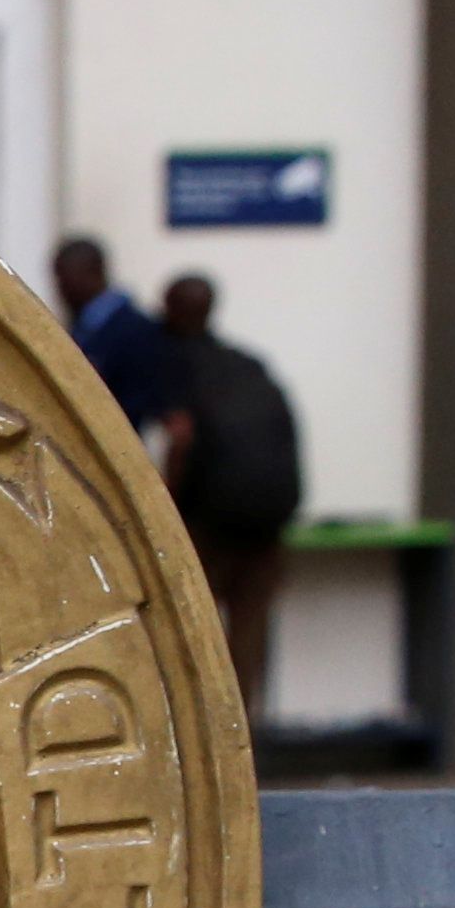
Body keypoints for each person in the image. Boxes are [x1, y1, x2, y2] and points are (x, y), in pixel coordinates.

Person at [158, 274, 305, 708]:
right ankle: (248, 756)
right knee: (248, 647)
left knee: (190, 644)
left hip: (206, 529)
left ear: (170, 308)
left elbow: (179, 442)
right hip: (265, 529)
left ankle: (204, 758)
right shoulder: (250, 366)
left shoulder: (174, 368)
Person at [51, 235, 175, 434]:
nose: (59, 288)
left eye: (64, 278)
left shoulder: (134, 330)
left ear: (91, 272)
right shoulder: (82, 325)